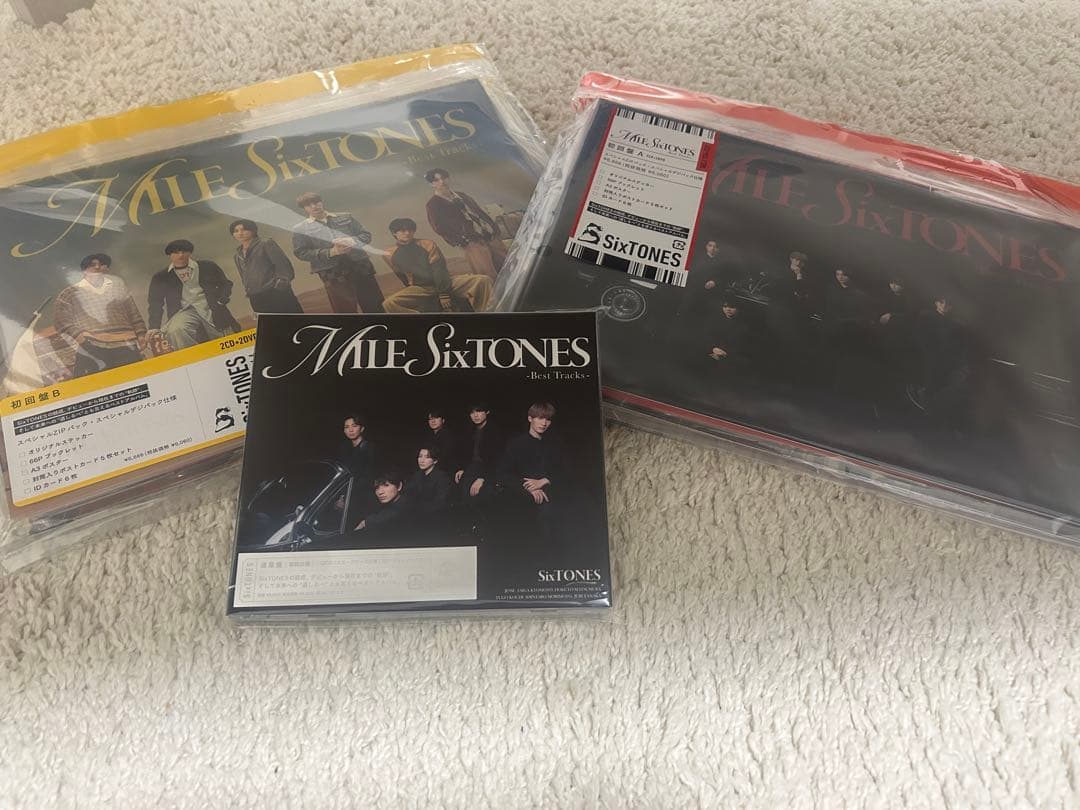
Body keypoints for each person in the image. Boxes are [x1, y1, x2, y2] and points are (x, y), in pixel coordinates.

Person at [53, 253, 147, 377]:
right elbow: (60, 320)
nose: (97, 267)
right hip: (92, 346)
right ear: (84, 270)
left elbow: (132, 311)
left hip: (125, 343)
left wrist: (141, 334)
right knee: (100, 382)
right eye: (92, 265)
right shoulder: (70, 293)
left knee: (134, 379)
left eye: (100, 264)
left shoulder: (118, 286)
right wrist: (80, 337)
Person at [291, 192, 384, 313]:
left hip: (360, 266)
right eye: (308, 205)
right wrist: (331, 252)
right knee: (345, 311)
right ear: (304, 208)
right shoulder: (301, 229)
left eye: (316, 202)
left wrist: (352, 241)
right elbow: (301, 253)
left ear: (321, 202)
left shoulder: (346, 217)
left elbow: (366, 235)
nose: (314, 206)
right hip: (332, 273)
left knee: (375, 305)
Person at [382, 218, 493, 313]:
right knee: (389, 303)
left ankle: (485, 314)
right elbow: (401, 275)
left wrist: (443, 294)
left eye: (410, 230)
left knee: (483, 280)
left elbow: (439, 269)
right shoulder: (389, 253)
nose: (407, 233)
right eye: (403, 231)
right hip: (421, 288)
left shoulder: (427, 244)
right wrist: (412, 289)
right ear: (394, 233)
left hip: (444, 281)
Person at [145, 239, 239, 351]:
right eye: (176, 252)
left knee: (227, 340)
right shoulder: (160, 277)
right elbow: (155, 303)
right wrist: (154, 326)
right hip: (183, 311)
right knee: (176, 330)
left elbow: (226, 284)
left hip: (210, 306)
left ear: (190, 252)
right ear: (169, 255)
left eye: (184, 251)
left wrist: (221, 301)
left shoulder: (208, 266)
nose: (180, 255)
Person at [497, 402, 567, 546]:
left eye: (548, 419)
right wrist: (529, 487)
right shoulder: (516, 443)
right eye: (540, 418)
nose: (544, 423)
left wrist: (545, 480)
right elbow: (502, 474)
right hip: (522, 496)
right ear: (530, 418)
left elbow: (566, 471)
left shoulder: (555, 444)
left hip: (552, 495)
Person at [424, 168, 507, 281]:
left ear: (448, 178)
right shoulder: (433, 204)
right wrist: (461, 240)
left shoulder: (462, 195)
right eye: (436, 180)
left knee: (507, 264)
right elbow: (438, 227)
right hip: (471, 241)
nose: (442, 182)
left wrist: (493, 228)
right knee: (487, 274)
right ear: (431, 184)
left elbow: (479, 211)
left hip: (488, 234)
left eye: (443, 178)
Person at [230, 219, 303, 314]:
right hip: (255, 297)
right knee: (269, 323)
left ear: (253, 230)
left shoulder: (265, 243)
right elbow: (244, 276)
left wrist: (280, 286)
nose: (240, 233)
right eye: (236, 231)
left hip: (276, 293)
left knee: (292, 320)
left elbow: (284, 266)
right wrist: (250, 292)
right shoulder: (237, 256)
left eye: (244, 229)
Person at [455, 402, 505, 502]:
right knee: (460, 488)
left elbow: (498, 460)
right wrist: (461, 468)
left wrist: (483, 478)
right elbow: (464, 454)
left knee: (474, 494)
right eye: (472, 412)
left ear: (487, 412)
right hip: (472, 467)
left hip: (488, 470)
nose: (475, 415)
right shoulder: (469, 431)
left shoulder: (495, 432)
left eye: (479, 411)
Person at [336, 413, 377, 523]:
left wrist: (347, 497)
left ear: (362, 428)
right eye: (347, 427)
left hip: (365, 495)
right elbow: (343, 475)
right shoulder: (344, 448)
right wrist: (341, 497)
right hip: (348, 493)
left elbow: (370, 476)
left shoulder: (370, 448)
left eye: (354, 426)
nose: (350, 430)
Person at [354, 470, 412, 541]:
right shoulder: (390, 507)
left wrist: (365, 523)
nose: (380, 492)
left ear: (399, 486)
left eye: (386, 485)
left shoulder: (405, 507)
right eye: (377, 487)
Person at [407, 446, 452, 522]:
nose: (422, 460)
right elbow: (408, 493)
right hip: (416, 514)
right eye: (420, 456)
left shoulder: (442, 477)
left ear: (435, 461)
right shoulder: (417, 475)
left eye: (427, 457)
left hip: (434, 518)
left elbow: (440, 503)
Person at [423, 409, 459, 474]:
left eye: (436, 418)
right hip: (430, 467)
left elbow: (446, 457)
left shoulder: (449, 435)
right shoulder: (428, 435)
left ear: (443, 420)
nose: (433, 421)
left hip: (445, 469)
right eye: (430, 419)